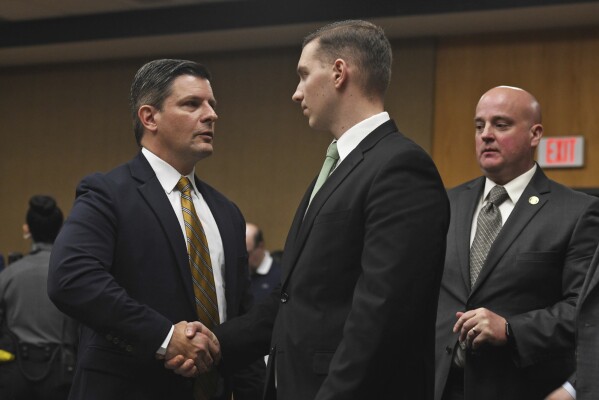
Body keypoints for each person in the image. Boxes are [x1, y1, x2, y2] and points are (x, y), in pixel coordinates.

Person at [176, 20, 450, 400]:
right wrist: (219, 343)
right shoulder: (340, 166)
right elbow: (297, 296)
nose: (296, 92)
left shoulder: (400, 167)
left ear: (339, 72)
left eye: (304, 75)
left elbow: (383, 314)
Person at [47, 59, 263, 400]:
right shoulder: (108, 193)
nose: (211, 115)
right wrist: (164, 336)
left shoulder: (227, 212)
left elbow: (242, 316)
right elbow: (72, 278)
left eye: (211, 105)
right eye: (192, 104)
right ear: (150, 117)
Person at [434, 86, 599, 400]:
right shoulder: (446, 204)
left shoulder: (576, 213)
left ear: (535, 135)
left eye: (501, 124)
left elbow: (584, 312)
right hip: (441, 386)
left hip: (519, 388)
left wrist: (511, 328)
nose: (486, 135)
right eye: (479, 126)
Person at [0, 195, 77, 400]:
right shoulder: (73, 275)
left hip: (14, 374)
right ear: (60, 229)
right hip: (62, 373)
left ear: (27, 230)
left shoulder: (8, 275)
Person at [245, 223, 281, 303]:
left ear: (260, 246)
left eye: (247, 253)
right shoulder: (238, 274)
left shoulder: (280, 276)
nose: (244, 259)